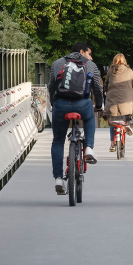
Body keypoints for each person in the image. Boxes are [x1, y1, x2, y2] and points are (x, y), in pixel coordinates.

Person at [48, 42, 103, 194]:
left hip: (60, 105)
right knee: (89, 117)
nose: (90, 57)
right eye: (89, 53)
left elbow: (51, 86)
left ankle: (58, 178)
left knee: (58, 140)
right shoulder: (90, 65)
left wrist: (55, 103)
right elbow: (97, 87)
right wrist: (98, 104)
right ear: (82, 51)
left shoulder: (57, 63)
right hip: (82, 104)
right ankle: (89, 148)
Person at [103, 54, 133, 152]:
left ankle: (112, 143)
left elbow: (105, 84)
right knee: (125, 115)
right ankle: (126, 125)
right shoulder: (129, 71)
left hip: (112, 100)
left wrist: (106, 91)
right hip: (125, 100)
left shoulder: (110, 71)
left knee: (113, 120)